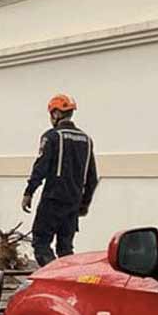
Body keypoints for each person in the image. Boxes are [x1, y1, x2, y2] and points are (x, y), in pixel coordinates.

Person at [22, 94, 99, 267]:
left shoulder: (52, 137)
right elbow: (92, 177)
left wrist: (29, 192)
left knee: (41, 243)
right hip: (73, 201)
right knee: (65, 248)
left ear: (56, 114)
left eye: (51, 114)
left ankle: (52, 276)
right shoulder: (86, 140)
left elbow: (40, 167)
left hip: (53, 199)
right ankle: (67, 279)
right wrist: (84, 204)